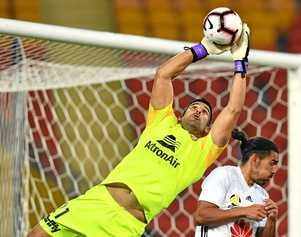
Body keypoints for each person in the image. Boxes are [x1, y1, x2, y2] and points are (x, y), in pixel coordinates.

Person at [27, 24, 250, 237]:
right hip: (96, 202)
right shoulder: (161, 122)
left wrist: (240, 61)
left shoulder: (202, 150)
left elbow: (233, 109)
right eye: (194, 106)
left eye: (204, 112)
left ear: (207, 130)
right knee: (36, 234)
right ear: (179, 115)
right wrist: (203, 49)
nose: (198, 111)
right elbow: (163, 74)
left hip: (126, 225)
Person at [194, 128, 279, 237]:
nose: (275, 169)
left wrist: (271, 220)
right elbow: (201, 216)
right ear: (255, 160)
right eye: (272, 163)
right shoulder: (224, 175)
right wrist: (243, 211)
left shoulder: (262, 195)